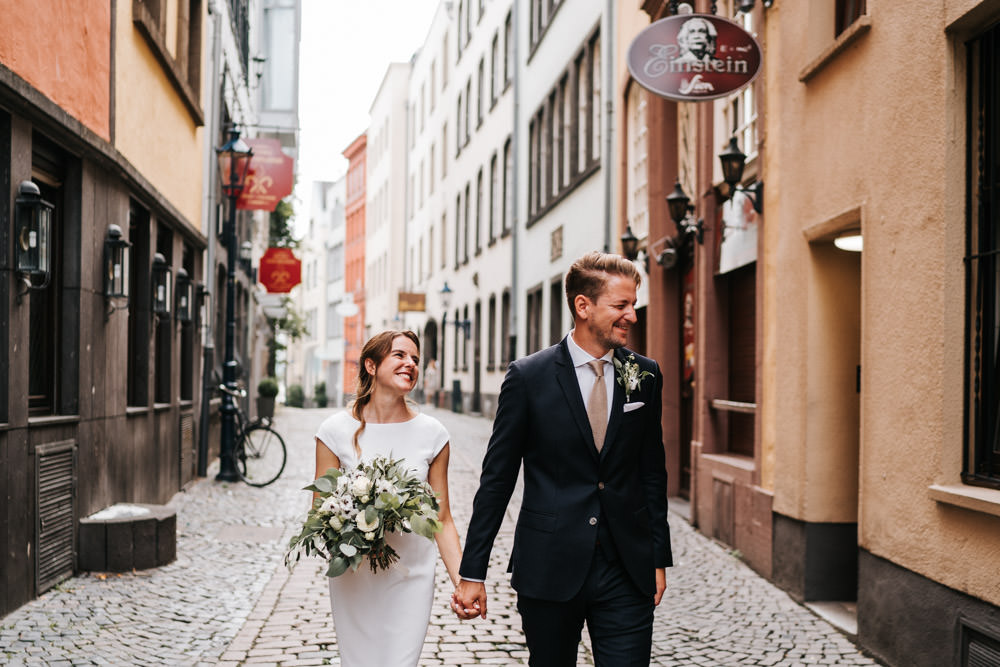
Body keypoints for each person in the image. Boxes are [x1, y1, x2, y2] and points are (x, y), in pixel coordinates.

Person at [453, 251, 672, 666]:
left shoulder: (645, 375)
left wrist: (657, 558)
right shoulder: (528, 377)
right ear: (583, 306)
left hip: (626, 568)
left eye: (634, 305)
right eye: (622, 306)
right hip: (549, 566)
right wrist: (473, 571)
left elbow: (652, 473)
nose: (633, 316)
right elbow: (497, 479)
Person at [314, 331, 464, 667]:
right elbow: (321, 515)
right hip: (355, 578)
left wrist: (462, 582)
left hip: (411, 575)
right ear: (371, 364)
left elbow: (442, 519)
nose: (409, 363)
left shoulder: (433, 434)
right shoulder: (333, 432)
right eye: (399, 355)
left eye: (414, 359)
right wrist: (356, 522)